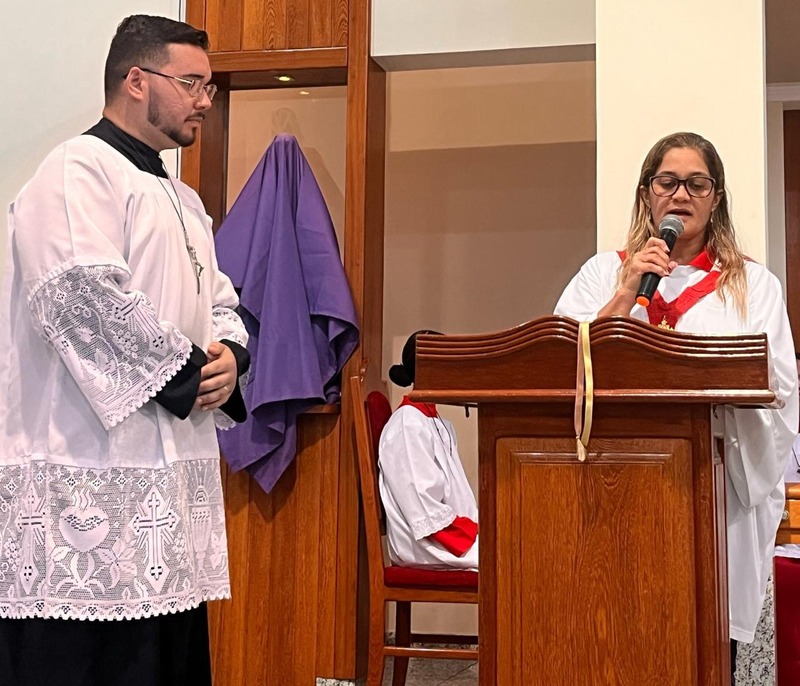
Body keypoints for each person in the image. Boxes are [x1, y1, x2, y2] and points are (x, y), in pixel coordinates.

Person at [0, 15, 250, 686]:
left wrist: (231, 356)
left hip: (167, 487)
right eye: (192, 83)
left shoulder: (183, 198)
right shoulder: (76, 170)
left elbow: (220, 301)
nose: (204, 100)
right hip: (87, 474)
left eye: (209, 86)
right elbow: (79, 297)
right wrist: (190, 375)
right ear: (137, 80)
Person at [554, 132, 799, 682]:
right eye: (667, 181)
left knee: (704, 647)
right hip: (616, 488)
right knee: (615, 639)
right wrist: (624, 295)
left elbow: (779, 387)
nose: (681, 194)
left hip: (715, 494)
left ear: (716, 198)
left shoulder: (752, 285)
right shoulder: (601, 273)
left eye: (697, 183)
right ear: (647, 193)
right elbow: (560, 363)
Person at [378, 331, 479, 571]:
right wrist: (468, 535)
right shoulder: (408, 423)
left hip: (449, 535)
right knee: (512, 558)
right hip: (426, 543)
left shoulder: (437, 422)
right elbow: (421, 503)